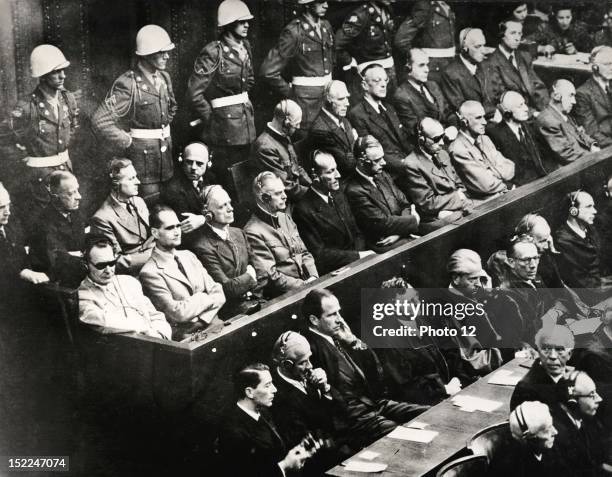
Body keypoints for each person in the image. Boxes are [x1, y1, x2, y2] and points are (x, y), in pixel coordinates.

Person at [303, 288, 428, 446]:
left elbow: (376, 374)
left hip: (375, 404)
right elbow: (337, 405)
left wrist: (353, 341)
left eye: (339, 313)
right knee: (408, 437)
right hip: (356, 419)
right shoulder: (310, 350)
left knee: (429, 413)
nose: (340, 320)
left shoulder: (338, 335)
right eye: (332, 315)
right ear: (314, 320)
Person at [92, 25, 177, 203]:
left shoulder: (164, 77)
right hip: (143, 162)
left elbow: (172, 107)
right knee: (148, 204)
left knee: (167, 205)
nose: (167, 56)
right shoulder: (128, 83)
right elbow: (100, 121)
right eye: (161, 52)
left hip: (165, 159)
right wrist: (127, 141)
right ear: (147, 53)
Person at [185, 0, 255, 195]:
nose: (247, 25)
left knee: (244, 175)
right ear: (229, 24)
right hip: (224, 129)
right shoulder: (214, 52)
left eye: (247, 21)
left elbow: (249, 81)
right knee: (228, 177)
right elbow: (194, 93)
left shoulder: (245, 46)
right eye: (241, 22)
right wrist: (212, 118)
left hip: (246, 122)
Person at [9, 44, 78, 226]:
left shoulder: (67, 99)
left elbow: (72, 129)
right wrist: (24, 158)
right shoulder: (26, 107)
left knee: (68, 217)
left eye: (63, 71)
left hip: (65, 169)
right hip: (41, 176)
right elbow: (5, 139)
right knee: (46, 223)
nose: (63, 76)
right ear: (43, 75)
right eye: (56, 72)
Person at [139, 205, 225, 342]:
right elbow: (176, 314)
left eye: (178, 226)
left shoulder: (188, 256)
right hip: (189, 339)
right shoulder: (150, 272)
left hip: (216, 325)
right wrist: (203, 297)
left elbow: (219, 293)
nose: (177, 232)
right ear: (155, 233)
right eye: (169, 228)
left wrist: (202, 319)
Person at [217, 363, 316, 476]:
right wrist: (284, 465)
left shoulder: (263, 411)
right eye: (267, 385)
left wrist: (298, 450)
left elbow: (272, 452)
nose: (275, 389)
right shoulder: (233, 431)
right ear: (249, 392)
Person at [270, 331, 347, 472]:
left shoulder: (307, 375)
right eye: (303, 363)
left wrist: (325, 388)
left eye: (309, 359)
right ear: (287, 365)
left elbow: (344, 410)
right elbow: (305, 440)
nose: (310, 366)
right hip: (320, 460)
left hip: (340, 442)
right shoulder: (277, 396)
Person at [293, 151, 373, 275]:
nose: (338, 175)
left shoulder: (338, 193)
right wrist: (358, 256)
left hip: (359, 261)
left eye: (336, 169)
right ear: (315, 175)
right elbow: (320, 255)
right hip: (337, 272)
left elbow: (357, 232)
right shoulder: (303, 210)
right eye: (330, 172)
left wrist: (361, 256)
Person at [78, 236, 171, 339]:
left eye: (111, 263)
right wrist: (148, 332)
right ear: (86, 264)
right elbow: (108, 323)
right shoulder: (84, 297)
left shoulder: (129, 282)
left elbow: (156, 316)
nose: (108, 270)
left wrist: (161, 335)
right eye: (101, 265)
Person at [190, 185, 262, 319]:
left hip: (259, 298)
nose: (231, 208)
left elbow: (259, 268)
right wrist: (250, 275)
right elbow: (227, 288)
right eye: (222, 206)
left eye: (229, 203)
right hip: (234, 312)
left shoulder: (238, 233)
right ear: (208, 214)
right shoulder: (202, 246)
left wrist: (250, 281)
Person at [260, 0, 334, 130]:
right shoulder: (294, 32)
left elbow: (333, 59)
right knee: (306, 142)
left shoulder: (326, 26)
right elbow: (268, 71)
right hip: (306, 103)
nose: (326, 5)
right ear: (308, 4)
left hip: (327, 98)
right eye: (320, 1)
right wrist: (292, 92)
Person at [244, 172, 318, 298]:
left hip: (308, 285)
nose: (285, 196)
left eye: (283, 191)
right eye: (278, 193)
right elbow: (271, 275)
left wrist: (314, 276)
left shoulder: (285, 218)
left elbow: (304, 253)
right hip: (286, 295)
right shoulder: (252, 231)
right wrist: (303, 285)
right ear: (264, 198)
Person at [344, 136, 420, 250]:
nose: (384, 163)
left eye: (383, 158)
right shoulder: (353, 190)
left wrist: (399, 234)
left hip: (398, 236)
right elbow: (381, 224)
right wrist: (414, 220)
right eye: (377, 160)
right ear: (361, 162)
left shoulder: (382, 174)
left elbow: (404, 204)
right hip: (384, 243)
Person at [402, 117, 472, 229]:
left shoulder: (443, 154)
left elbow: (460, 185)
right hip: (434, 217)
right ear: (421, 140)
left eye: (443, 137)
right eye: (436, 139)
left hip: (458, 207)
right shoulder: (411, 164)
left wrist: (460, 198)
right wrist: (458, 197)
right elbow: (427, 204)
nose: (442, 142)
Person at [90, 158, 154, 275]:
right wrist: (154, 256)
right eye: (131, 179)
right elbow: (116, 261)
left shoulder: (138, 201)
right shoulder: (102, 218)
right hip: (135, 272)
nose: (138, 182)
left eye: (136, 177)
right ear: (115, 184)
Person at [348, 64, 413, 176]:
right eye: (377, 81)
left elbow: (404, 139)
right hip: (389, 171)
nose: (383, 84)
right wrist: (406, 163)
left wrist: (417, 157)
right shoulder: (357, 114)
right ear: (365, 85)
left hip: (408, 162)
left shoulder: (389, 107)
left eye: (385, 80)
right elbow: (371, 151)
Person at [478, 19, 549, 112]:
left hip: (536, 110)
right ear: (502, 35)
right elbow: (500, 98)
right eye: (513, 33)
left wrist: (545, 109)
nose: (517, 38)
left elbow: (538, 86)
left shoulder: (524, 56)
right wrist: (532, 113)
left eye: (519, 33)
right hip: (516, 113)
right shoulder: (490, 63)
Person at [449, 101, 515, 199]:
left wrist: (490, 173)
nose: (484, 122)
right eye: (478, 118)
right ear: (464, 121)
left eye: (484, 117)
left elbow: (510, 167)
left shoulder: (485, 139)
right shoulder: (458, 150)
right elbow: (486, 185)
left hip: (505, 192)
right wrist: (500, 176)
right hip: (488, 201)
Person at [31, 171, 86, 288]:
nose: (79, 197)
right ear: (55, 198)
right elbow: (57, 261)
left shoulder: (75, 213)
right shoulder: (44, 224)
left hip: (80, 273)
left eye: (77, 190)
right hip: (59, 284)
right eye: (71, 193)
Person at [488, 91, 555, 185]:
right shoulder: (496, 135)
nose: (526, 109)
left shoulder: (529, 127)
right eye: (520, 106)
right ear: (507, 112)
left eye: (525, 104)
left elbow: (546, 157)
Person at [251, 99, 311, 203]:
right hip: (284, 200)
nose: (298, 127)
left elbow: (297, 167)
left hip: (296, 193)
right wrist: (311, 194)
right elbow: (284, 185)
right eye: (296, 124)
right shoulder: (265, 147)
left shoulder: (284, 136)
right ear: (286, 123)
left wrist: (312, 185)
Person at [334, 1, 397, 99]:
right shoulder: (360, 15)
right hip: (370, 75)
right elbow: (337, 45)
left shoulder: (387, 10)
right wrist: (350, 61)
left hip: (389, 72)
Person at [0, 183, 49, 305]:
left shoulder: (11, 227)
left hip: (21, 293)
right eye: (1, 207)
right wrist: (21, 272)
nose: (8, 212)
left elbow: (21, 256)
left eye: (8, 205)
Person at [554, 190, 606, 305]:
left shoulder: (591, 229)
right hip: (592, 300)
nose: (595, 211)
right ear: (573, 210)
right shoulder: (563, 242)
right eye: (589, 207)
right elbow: (585, 285)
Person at [392, 48, 454, 140]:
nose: (427, 69)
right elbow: (414, 130)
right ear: (408, 66)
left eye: (427, 65)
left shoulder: (433, 85)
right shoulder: (401, 96)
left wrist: (454, 127)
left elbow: (448, 112)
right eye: (421, 65)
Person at [510, 325, 575, 412]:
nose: (553, 356)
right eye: (546, 349)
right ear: (539, 352)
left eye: (559, 349)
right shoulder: (526, 390)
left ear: (569, 354)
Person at [489, 401, 562, 477]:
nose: (555, 432)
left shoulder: (548, 448)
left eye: (551, 426)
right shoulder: (510, 465)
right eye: (547, 430)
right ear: (530, 437)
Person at [439, 28, 499, 121]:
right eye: (478, 46)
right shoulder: (450, 73)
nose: (483, 51)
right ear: (465, 48)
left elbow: (496, 93)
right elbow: (460, 107)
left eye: (484, 45)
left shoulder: (486, 65)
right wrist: (491, 113)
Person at [159, 142, 212, 245]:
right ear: (181, 161)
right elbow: (187, 227)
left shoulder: (213, 178)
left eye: (199, 163)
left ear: (208, 163)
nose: (193, 167)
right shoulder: (174, 189)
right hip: (193, 241)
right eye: (189, 162)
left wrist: (203, 219)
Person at [537, 79, 599, 165]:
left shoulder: (565, 115)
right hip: (568, 170)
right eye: (571, 95)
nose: (574, 101)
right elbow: (567, 154)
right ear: (556, 96)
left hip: (584, 161)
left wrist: (592, 144)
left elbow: (582, 135)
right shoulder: (547, 120)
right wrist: (595, 156)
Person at [394, 0, 456, 81]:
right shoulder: (424, 6)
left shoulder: (445, 6)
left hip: (449, 67)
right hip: (432, 69)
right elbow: (401, 40)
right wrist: (416, 57)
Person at [308, 81, 358, 175]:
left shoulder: (344, 121)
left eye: (347, 98)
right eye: (341, 99)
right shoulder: (320, 130)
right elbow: (347, 165)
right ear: (328, 99)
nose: (347, 103)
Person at [574, 46, 612, 148]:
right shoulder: (582, 94)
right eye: (607, 64)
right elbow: (592, 131)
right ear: (595, 67)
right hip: (606, 146)